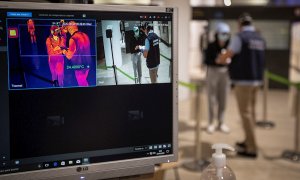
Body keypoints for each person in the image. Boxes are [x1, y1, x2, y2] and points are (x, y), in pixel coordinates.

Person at [217, 13, 265, 158]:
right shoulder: (259, 38)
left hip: (243, 81)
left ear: (240, 24)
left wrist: (221, 58)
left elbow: (228, 55)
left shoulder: (240, 37)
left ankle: (251, 148)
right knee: (251, 113)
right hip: (256, 80)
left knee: (245, 114)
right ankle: (248, 140)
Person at [205, 22, 231, 134]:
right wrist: (215, 61)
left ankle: (221, 122)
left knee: (223, 98)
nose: (224, 36)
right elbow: (206, 60)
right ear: (217, 34)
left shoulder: (229, 46)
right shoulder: (211, 46)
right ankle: (211, 122)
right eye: (222, 33)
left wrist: (228, 61)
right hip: (212, 71)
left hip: (225, 72)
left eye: (226, 34)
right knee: (212, 98)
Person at [62, 21, 91, 87]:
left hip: (79, 66)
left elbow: (69, 56)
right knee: (84, 82)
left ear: (70, 29)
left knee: (82, 84)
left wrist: (64, 52)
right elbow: (80, 49)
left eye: (68, 29)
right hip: (88, 64)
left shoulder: (73, 38)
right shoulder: (85, 35)